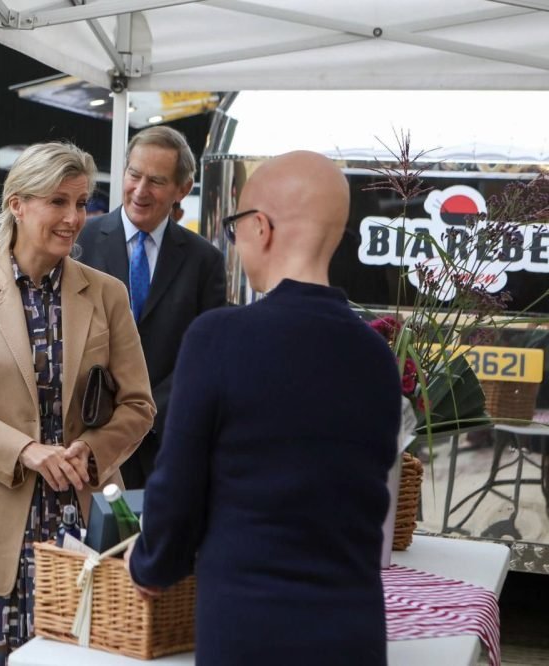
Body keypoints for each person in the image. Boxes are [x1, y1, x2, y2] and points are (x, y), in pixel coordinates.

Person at [125, 151, 401, 665]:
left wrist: (150, 566)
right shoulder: (376, 357)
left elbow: (177, 487)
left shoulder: (220, 338)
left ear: (260, 227)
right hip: (355, 632)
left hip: (248, 627)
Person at [0, 142, 156, 664]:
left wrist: (89, 452)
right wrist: (27, 451)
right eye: (58, 201)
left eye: (81, 202)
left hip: (77, 527)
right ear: (17, 205)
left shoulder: (107, 294)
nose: (74, 217)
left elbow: (139, 405)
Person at [76, 126, 226, 489]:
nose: (140, 191)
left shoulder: (204, 260)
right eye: (134, 175)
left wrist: (142, 412)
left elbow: (205, 353)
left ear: (183, 189)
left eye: (156, 181)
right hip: (86, 439)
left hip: (167, 443)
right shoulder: (81, 241)